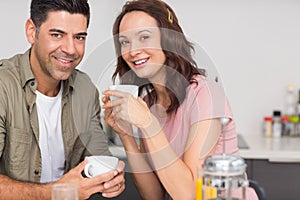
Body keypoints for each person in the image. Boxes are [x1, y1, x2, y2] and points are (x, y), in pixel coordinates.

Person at [102, 0, 258, 199]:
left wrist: (147, 124)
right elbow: (153, 194)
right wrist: (126, 135)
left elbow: (191, 195)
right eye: (125, 42)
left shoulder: (206, 93)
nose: (132, 51)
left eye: (144, 37)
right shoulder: (150, 104)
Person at [0, 0, 125, 199]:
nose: (70, 49)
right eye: (57, 35)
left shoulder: (85, 89)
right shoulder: (3, 86)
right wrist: (55, 192)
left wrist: (111, 178)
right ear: (32, 31)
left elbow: (99, 158)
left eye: (79, 37)